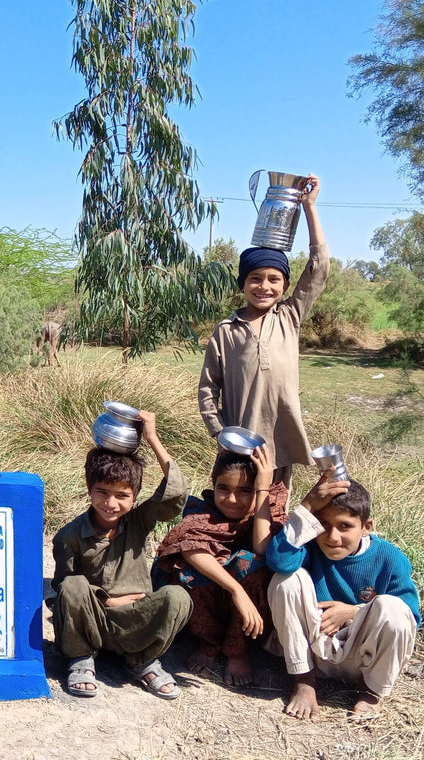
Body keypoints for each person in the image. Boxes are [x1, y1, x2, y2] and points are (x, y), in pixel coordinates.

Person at [198, 174, 328, 502]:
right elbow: (207, 388)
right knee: (234, 508)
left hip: (281, 445)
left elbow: (318, 267)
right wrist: (220, 433)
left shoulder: (288, 316)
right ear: (242, 285)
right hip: (240, 445)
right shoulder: (226, 330)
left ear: (284, 286)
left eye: (274, 279)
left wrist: (309, 209)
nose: (264, 286)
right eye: (255, 278)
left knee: (272, 514)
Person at [50, 411, 192, 699]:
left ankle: (143, 661)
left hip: (135, 621)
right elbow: (63, 591)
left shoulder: (139, 521)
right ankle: (81, 660)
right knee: (72, 586)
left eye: (122, 495)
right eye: (102, 493)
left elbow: (177, 493)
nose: (110, 504)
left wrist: (151, 437)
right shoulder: (70, 535)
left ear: (135, 495)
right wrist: (107, 599)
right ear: (89, 489)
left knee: (178, 597)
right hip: (93, 623)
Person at [263, 472, 420, 720]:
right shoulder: (309, 546)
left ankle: (371, 692)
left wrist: (354, 610)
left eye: (345, 526)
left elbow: (409, 615)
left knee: (392, 606)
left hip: (361, 659)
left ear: (367, 527)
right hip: (314, 649)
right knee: (286, 580)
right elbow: (279, 561)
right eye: (324, 524)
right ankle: (304, 681)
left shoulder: (389, 557)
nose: (332, 536)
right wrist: (306, 507)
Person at [153, 447, 287, 687]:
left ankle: (237, 651)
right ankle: (210, 644)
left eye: (245, 491)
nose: (232, 500)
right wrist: (237, 591)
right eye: (223, 489)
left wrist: (262, 491)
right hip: (212, 604)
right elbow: (188, 546)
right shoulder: (203, 512)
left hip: (252, 620)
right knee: (188, 570)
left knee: (256, 565)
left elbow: (263, 549)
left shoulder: (269, 507)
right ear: (213, 486)